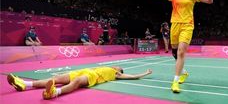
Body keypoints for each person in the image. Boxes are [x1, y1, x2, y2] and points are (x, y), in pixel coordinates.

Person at [155, 0, 213, 93]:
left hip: (187, 25)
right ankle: (184, 72)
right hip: (175, 25)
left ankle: (175, 82)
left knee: (181, 52)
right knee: (175, 53)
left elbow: (209, 0)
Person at [7, 66, 152, 100]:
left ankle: (54, 93)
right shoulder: (110, 66)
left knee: (76, 82)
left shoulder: (116, 73)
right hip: (83, 70)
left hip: (92, 77)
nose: (117, 67)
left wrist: (144, 73)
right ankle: (24, 83)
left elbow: (131, 76)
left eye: (119, 69)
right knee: (56, 79)